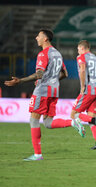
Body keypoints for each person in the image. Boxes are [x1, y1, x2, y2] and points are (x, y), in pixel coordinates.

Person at [4, 29, 85, 161]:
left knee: (34, 120)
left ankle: (37, 155)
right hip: (54, 91)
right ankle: (73, 122)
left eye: (39, 36)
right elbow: (65, 74)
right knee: (48, 122)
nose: (36, 38)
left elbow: (39, 74)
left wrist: (20, 81)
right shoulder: (58, 54)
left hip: (42, 91)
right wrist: (51, 79)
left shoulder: (43, 54)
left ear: (45, 39)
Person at [52, 40, 96, 150]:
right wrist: (94, 80)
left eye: (78, 49)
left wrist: (83, 86)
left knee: (73, 114)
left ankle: (93, 120)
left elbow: (82, 70)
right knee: (90, 116)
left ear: (82, 48)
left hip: (88, 91)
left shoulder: (81, 57)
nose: (77, 52)